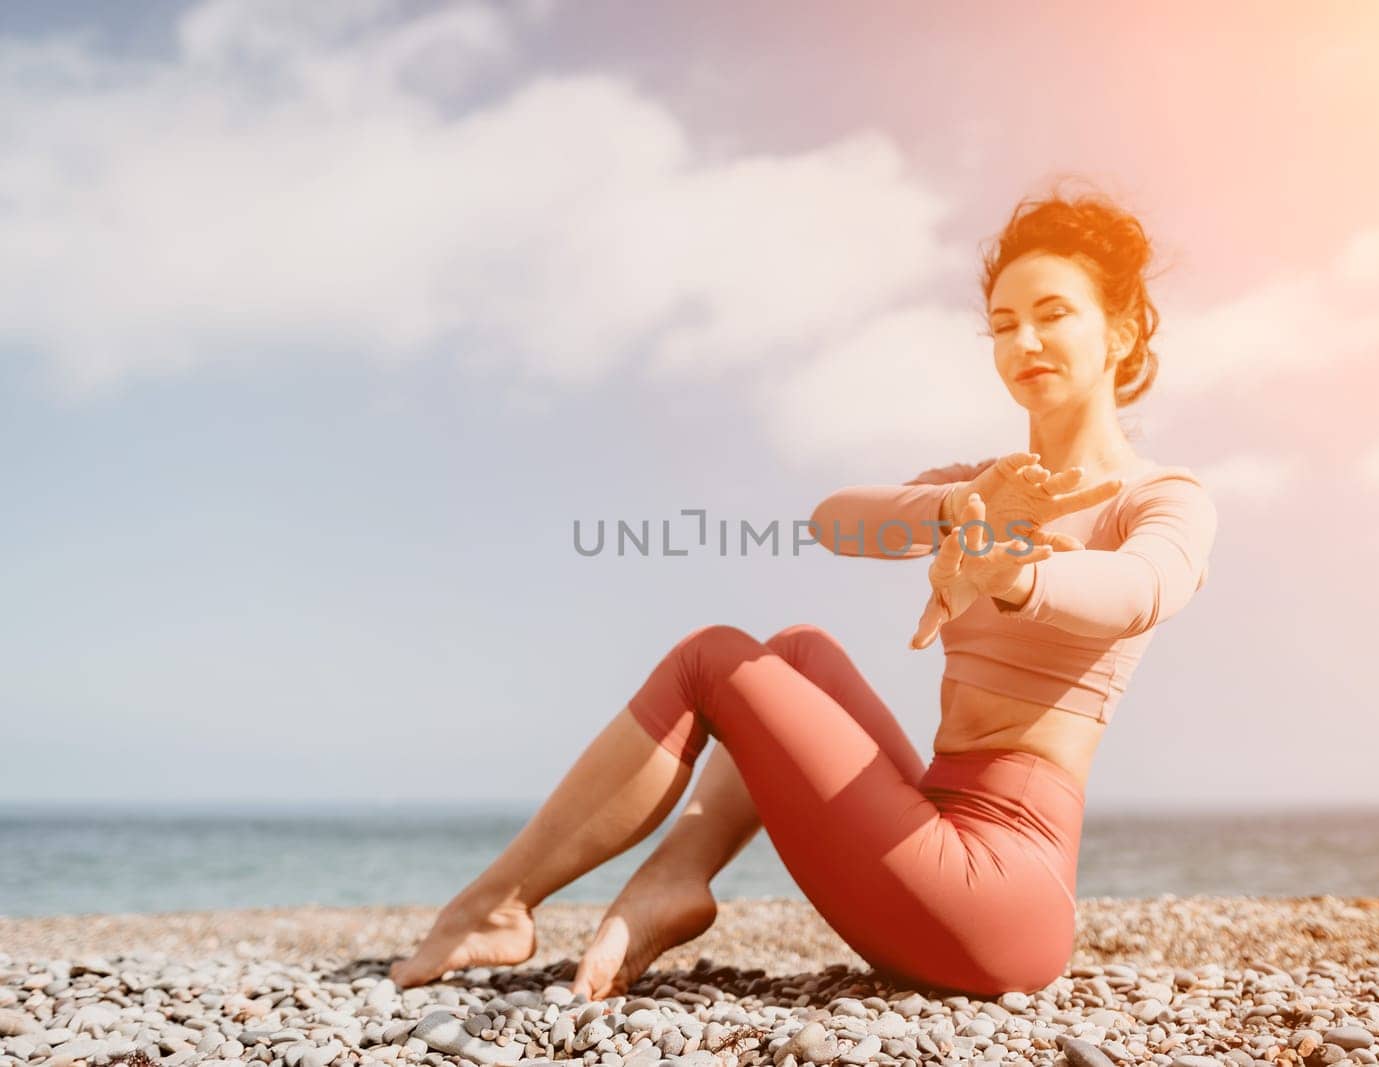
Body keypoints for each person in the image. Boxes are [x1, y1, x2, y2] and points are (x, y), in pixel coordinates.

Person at [389, 187, 1218, 999]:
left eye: (1053, 312)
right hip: (945, 826)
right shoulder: (986, 492)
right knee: (797, 652)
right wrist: (955, 511)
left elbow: (1141, 588)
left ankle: (496, 904)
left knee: (711, 659)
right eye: (1003, 325)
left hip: (1000, 892)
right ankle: (676, 877)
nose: (1024, 339)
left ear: (1124, 329)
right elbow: (836, 521)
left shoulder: (1161, 498)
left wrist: (1015, 573)